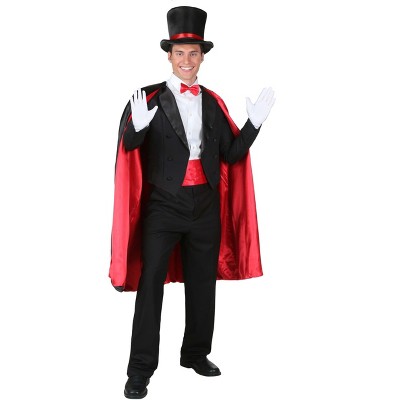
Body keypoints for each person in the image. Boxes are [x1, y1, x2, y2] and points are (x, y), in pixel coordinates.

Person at [109, 6, 275, 399]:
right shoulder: (147, 99)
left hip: (205, 206)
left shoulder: (213, 102)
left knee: (203, 283)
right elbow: (128, 149)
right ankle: (140, 370)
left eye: (194, 53)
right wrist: (137, 128)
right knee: (151, 285)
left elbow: (231, 155)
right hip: (164, 207)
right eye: (180, 53)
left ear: (202, 57)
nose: (187, 60)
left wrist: (253, 125)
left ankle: (196, 353)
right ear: (169, 56)